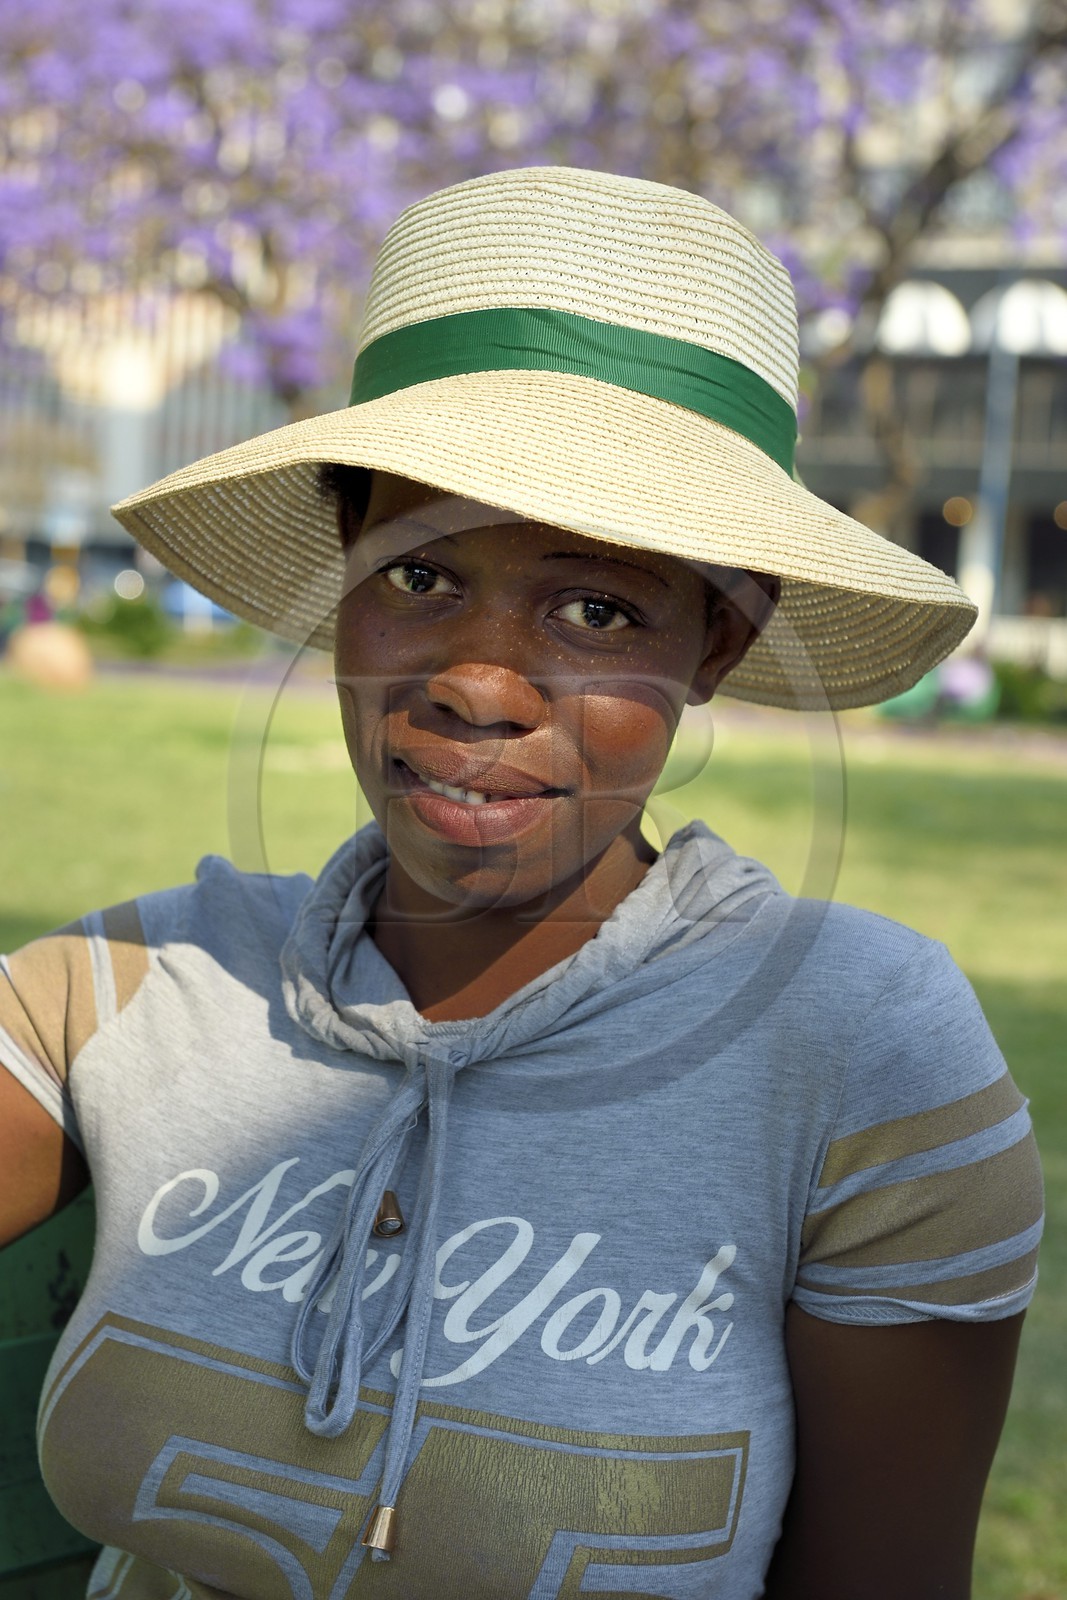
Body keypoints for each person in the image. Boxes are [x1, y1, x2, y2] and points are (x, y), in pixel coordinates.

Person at [0, 167, 1043, 1600]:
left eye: (597, 607)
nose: (480, 684)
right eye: (419, 581)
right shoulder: (133, 992)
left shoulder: (858, 1054)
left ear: (720, 643)